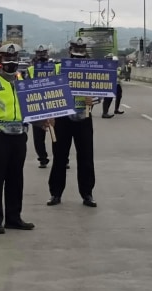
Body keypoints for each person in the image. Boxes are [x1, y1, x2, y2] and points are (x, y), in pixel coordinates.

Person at [0, 43, 37, 234]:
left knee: (15, 179)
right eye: (7, 59)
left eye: (14, 58)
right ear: (0, 60)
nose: (11, 62)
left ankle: (13, 218)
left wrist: (44, 121)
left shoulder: (23, 82)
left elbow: (32, 107)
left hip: (19, 137)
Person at [47, 37, 97, 208]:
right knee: (59, 157)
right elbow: (50, 91)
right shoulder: (59, 68)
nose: (78, 56)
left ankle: (87, 194)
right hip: (62, 117)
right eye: (76, 52)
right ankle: (55, 193)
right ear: (70, 51)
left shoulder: (92, 69)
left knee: (86, 157)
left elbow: (101, 89)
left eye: (81, 52)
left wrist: (94, 99)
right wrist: (50, 115)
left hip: (84, 116)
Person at [26, 44, 58, 168]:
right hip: (37, 104)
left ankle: (62, 158)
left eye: (43, 53)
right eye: (39, 53)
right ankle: (43, 158)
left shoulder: (54, 67)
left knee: (57, 135)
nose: (41, 56)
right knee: (38, 138)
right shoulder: (31, 69)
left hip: (54, 103)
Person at [102, 53, 124, 118]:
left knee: (111, 97)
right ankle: (103, 113)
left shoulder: (116, 67)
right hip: (108, 84)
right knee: (106, 98)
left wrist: (119, 76)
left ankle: (106, 112)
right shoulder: (106, 66)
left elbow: (121, 75)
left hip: (115, 83)